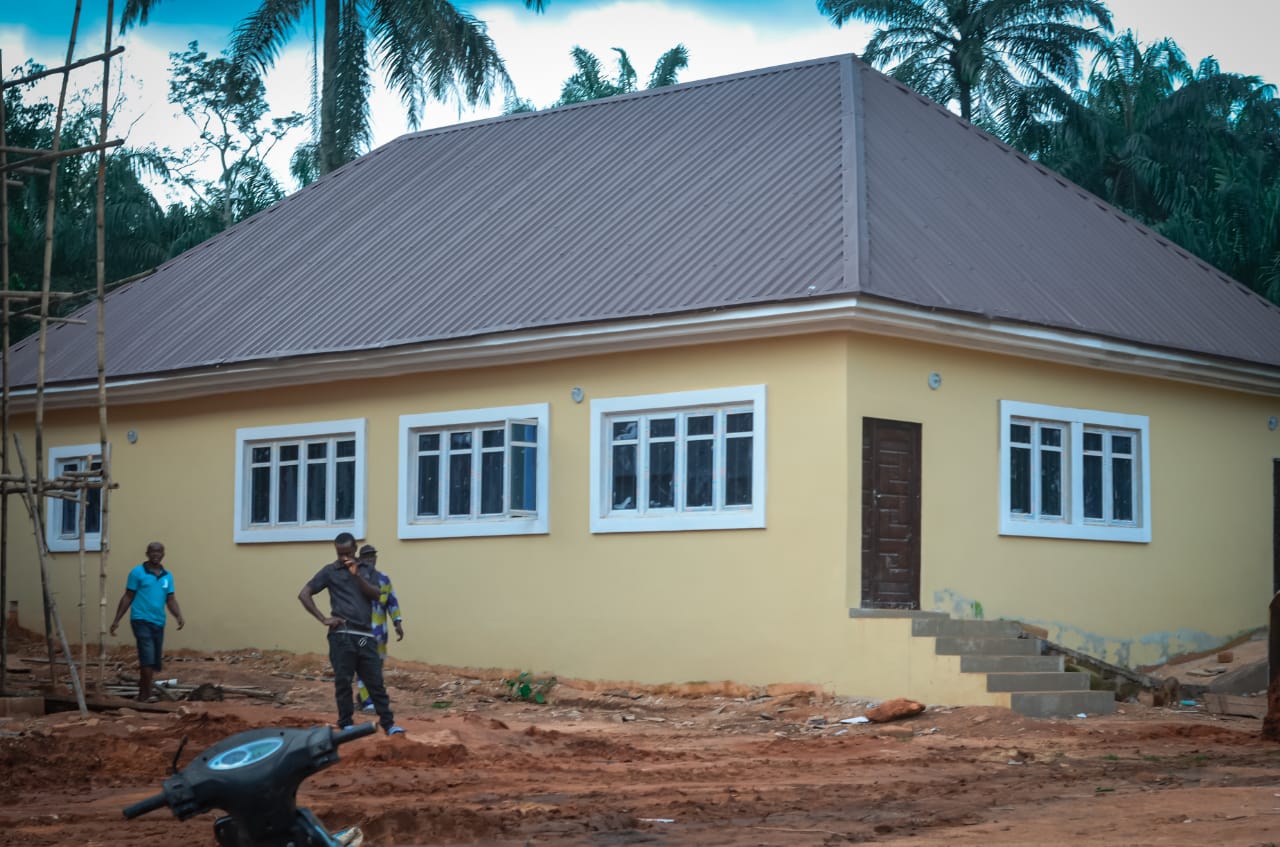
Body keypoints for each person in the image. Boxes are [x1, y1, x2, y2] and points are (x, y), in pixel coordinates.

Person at [299, 532, 404, 736]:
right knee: (343, 680)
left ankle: (389, 725)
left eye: (347, 553)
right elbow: (304, 594)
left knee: (375, 679)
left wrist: (356, 575)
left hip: (364, 636)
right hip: (342, 635)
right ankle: (346, 724)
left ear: (355, 550)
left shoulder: (367, 569)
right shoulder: (330, 571)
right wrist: (323, 619)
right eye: (340, 554)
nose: (343, 558)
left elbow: (376, 594)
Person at [109, 541, 185, 702]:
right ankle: (147, 694)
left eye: (159, 552)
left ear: (163, 554)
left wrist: (178, 616)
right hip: (140, 619)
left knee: (153, 661)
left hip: (158, 622)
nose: (156, 555)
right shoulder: (137, 573)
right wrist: (116, 620)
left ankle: (142, 694)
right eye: (152, 552)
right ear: (147, 554)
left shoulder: (167, 576)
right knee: (147, 655)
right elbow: (128, 596)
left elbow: (170, 599)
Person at [356, 544, 403, 711]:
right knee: (362, 664)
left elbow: (392, 602)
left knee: (377, 665)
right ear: (360, 560)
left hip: (380, 634)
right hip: (361, 632)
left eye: (372, 556)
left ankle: (374, 697)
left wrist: (397, 622)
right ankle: (366, 701)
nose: (370, 559)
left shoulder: (384, 579)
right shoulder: (356, 580)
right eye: (366, 557)